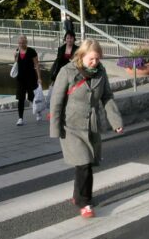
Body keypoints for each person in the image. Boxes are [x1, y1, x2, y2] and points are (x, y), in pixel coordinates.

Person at [49, 39, 124, 218]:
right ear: (81, 56)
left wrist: (116, 121)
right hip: (71, 126)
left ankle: (77, 196)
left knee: (86, 163)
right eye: (92, 59)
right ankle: (85, 203)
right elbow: (56, 102)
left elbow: (107, 97)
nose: (95, 62)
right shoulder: (67, 72)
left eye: (98, 59)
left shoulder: (101, 72)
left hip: (91, 126)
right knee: (83, 164)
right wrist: (55, 128)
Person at [13, 34, 42, 125]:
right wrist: (14, 57)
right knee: (20, 98)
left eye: (23, 42)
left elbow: (37, 65)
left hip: (31, 78)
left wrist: (39, 78)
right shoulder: (17, 51)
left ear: (26, 42)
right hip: (20, 79)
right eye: (20, 43)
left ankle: (38, 112)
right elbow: (16, 65)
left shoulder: (31, 51)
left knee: (32, 97)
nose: (21, 44)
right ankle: (20, 118)